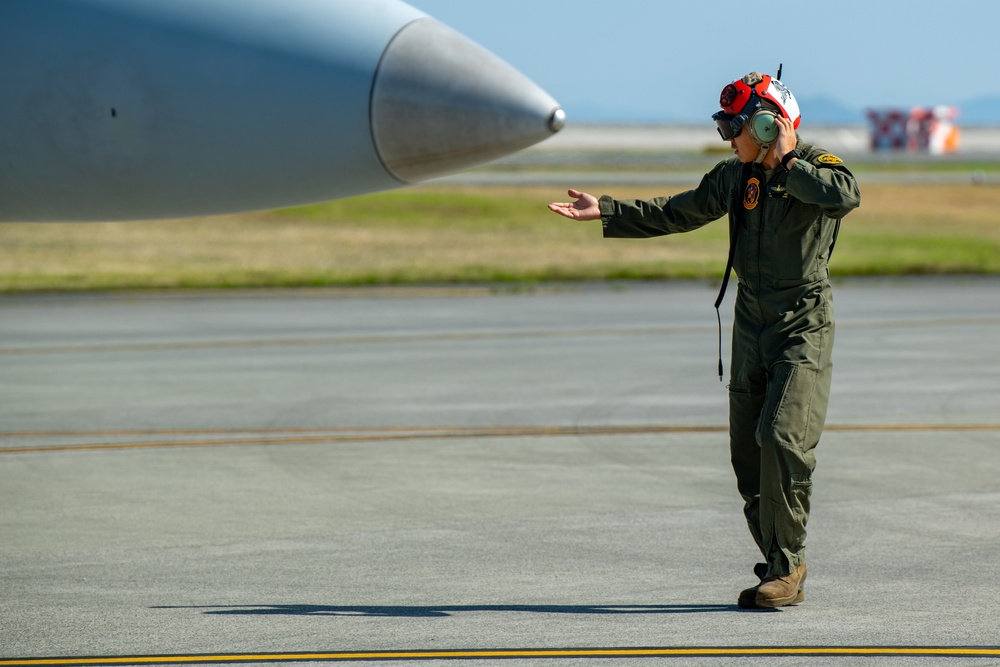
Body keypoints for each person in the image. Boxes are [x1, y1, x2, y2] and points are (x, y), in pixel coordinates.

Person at [548, 72, 861, 609]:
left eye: (734, 127)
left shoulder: (817, 168)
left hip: (801, 324)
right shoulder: (736, 177)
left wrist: (787, 162)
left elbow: (846, 195)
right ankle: (776, 550)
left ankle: (787, 568)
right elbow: (678, 211)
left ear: (767, 125)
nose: (728, 139)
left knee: (781, 437)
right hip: (749, 323)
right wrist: (609, 209)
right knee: (746, 455)